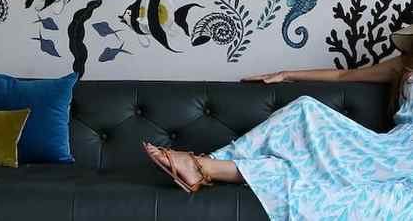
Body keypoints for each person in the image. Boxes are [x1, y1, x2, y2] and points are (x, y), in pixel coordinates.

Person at [143, 28, 413, 220]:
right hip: (389, 146)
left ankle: (200, 166)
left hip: (405, 160)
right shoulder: (404, 64)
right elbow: (345, 75)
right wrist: (286, 74)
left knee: (317, 182)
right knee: (304, 110)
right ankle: (205, 165)